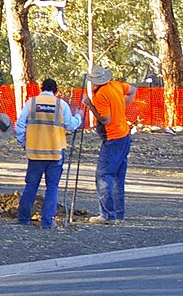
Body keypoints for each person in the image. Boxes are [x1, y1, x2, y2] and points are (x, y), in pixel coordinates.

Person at [16, 78, 83, 229]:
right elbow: (71, 125)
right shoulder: (61, 104)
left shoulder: (31, 103)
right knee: (52, 188)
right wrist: (79, 116)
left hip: (35, 154)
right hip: (55, 154)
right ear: (56, 90)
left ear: (41, 88)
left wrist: (24, 144)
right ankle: (46, 222)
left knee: (31, 186)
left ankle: (23, 218)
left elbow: (20, 125)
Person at [81, 65, 137, 224]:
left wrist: (89, 105)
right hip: (124, 135)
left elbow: (105, 120)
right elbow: (133, 90)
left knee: (103, 176)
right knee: (118, 177)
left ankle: (106, 215)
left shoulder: (101, 95)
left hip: (113, 138)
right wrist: (122, 106)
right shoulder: (116, 85)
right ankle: (118, 215)